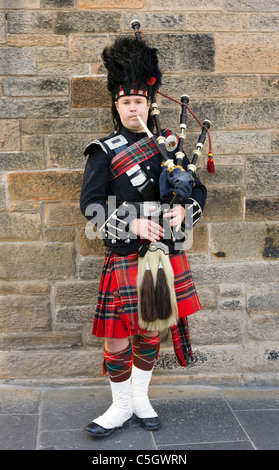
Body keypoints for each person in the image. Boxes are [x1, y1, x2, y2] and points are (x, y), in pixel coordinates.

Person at [80, 35, 207, 438]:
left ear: (149, 102)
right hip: (125, 251)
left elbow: (198, 190)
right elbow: (90, 204)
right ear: (116, 106)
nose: (132, 109)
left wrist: (183, 208)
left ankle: (140, 399)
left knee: (152, 329)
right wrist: (131, 223)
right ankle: (118, 407)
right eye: (125, 103)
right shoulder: (105, 150)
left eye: (138, 102)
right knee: (118, 337)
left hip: (165, 251)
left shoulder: (170, 145)